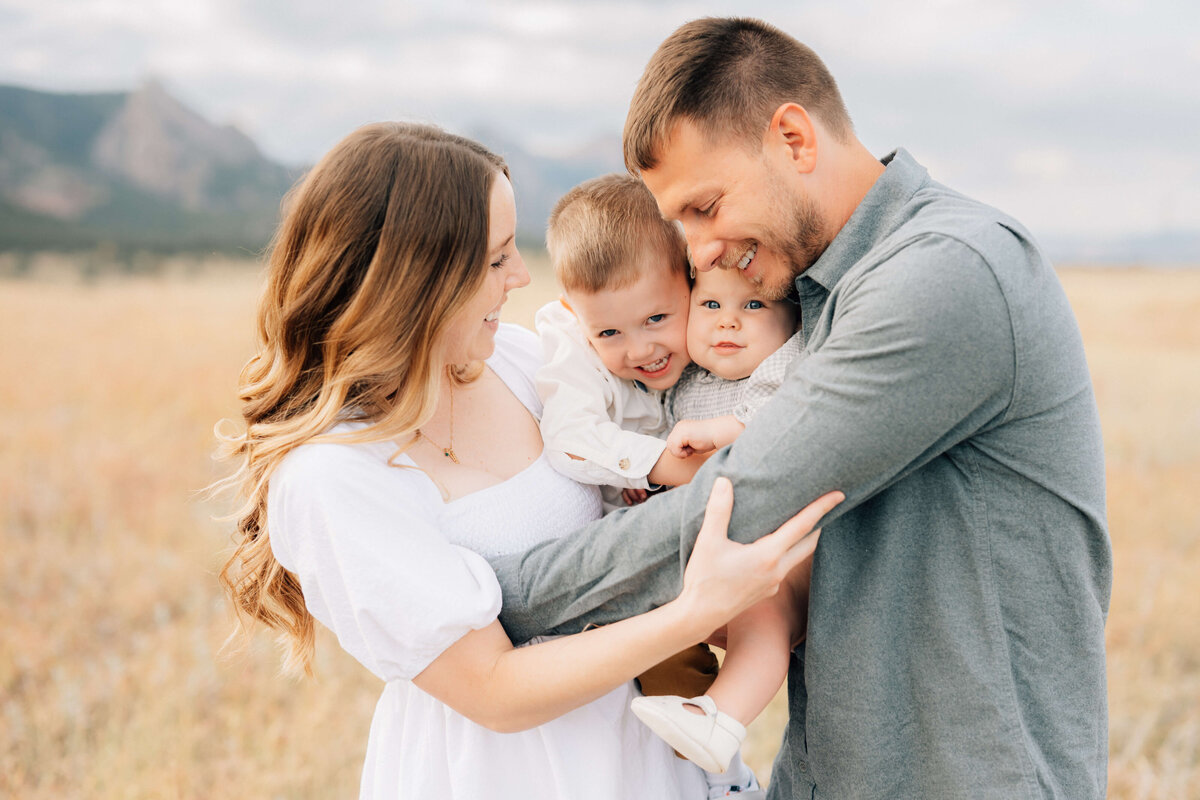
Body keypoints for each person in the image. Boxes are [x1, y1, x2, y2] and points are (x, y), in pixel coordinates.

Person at [487, 17, 1111, 800]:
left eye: (706, 207)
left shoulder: (948, 274)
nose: (700, 251)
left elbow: (736, 504)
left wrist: (480, 594)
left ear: (793, 138)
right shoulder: (809, 290)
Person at [215, 121, 840, 800]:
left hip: (650, 747)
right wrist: (692, 613)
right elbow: (492, 691)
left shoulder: (522, 361)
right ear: (412, 281)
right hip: (506, 773)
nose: (520, 277)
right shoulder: (333, 475)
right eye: (494, 259)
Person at [533, 173, 806, 773]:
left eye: (658, 318)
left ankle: (718, 747)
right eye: (609, 332)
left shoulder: (724, 342)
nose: (640, 349)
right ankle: (705, 756)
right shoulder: (572, 347)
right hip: (648, 555)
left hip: (726, 542)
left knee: (758, 621)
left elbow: (785, 405)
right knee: (662, 692)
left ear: (690, 281)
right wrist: (664, 467)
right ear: (575, 316)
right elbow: (571, 438)